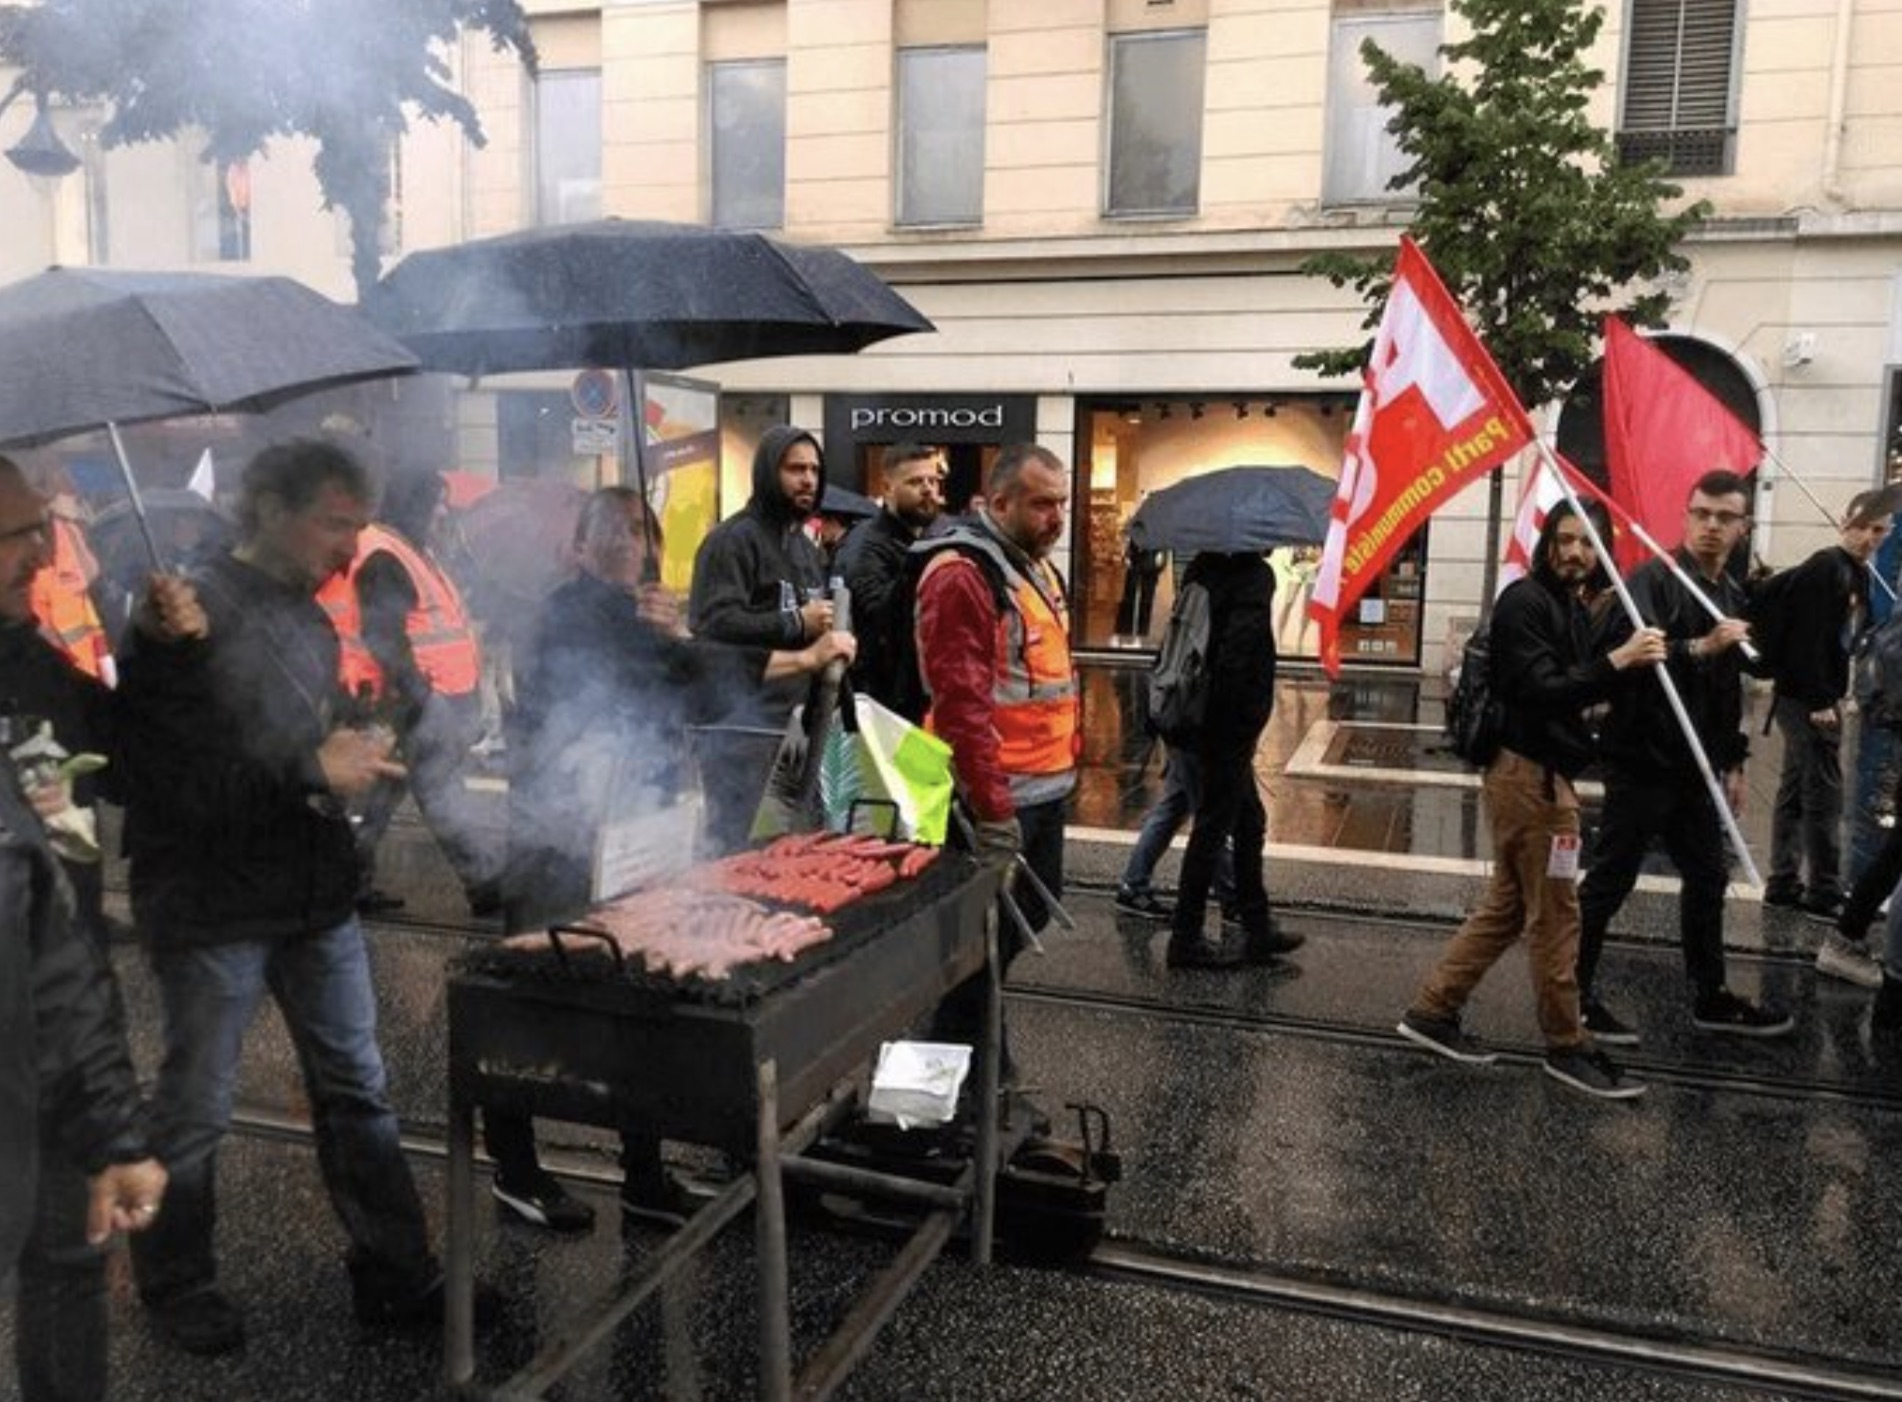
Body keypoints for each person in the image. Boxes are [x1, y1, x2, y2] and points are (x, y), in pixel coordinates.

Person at [117, 439, 477, 1354]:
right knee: (196, 1101)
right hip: (212, 906)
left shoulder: (310, 616)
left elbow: (300, 744)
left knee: (359, 1087)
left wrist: (361, 734)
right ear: (268, 508)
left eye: (359, 527)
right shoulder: (180, 613)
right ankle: (175, 1284)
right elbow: (162, 782)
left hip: (312, 893)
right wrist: (305, 765)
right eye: (334, 524)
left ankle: (397, 1272)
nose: (352, 549)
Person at [502, 487, 854, 1229]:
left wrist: (674, 633)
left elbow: (691, 692)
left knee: (641, 1002)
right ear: (582, 544)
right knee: (525, 1012)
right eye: (620, 531)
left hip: (637, 830)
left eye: (644, 531)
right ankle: (515, 1169)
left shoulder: (639, 611)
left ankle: (642, 1172)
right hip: (563, 838)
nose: (636, 544)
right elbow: (691, 677)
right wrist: (798, 653)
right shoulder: (567, 613)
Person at [1396, 500, 1665, 1101]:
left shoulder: (1568, 605)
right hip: (1532, 782)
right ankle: (1566, 1045)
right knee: (1557, 913)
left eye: (1588, 544)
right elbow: (1539, 689)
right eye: (1566, 540)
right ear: (1547, 543)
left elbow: (1577, 685)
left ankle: (1432, 1010)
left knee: (1510, 907)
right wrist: (1616, 662)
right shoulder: (1524, 602)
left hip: (1542, 774)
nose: (1576, 553)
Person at [1575, 472, 1793, 1040]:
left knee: (1707, 875)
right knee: (1610, 879)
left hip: (1695, 767)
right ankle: (1571, 991)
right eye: (1702, 514)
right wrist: (1697, 646)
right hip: (1644, 758)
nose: (1712, 526)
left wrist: (1735, 762)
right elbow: (1615, 659)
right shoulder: (1654, 580)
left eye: (1725, 518)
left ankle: (1710, 992)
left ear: (1743, 527)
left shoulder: (1728, 592)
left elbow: (1728, 689)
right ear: (1685, 516)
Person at [913, 443, 1077, 1074]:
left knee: (1009, 934)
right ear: (999, 502)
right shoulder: (963, 575)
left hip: (1040, 791)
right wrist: (991, 810)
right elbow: (961, 708)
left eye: (1061, 503)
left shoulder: (1031, 567)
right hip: (991, 802)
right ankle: (947, 1101)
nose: (1056, 518)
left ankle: (975, 1079)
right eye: (1042, 505)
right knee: (976, 952)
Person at [316, 469, 502, 917]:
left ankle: (345, 886)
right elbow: (386, 638)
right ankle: (484, 886)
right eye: (436, 502)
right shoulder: (384, 554)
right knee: (436, 794)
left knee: (383, 800)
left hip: (406, 702)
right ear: (412, 503)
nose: (443, 511)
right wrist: (424, 701)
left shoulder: (410, 550)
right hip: (399, 702)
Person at [688, 425, 833, 849]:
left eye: (814, 470)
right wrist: (794, 624)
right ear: (768, 472)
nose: (808, 479)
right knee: (737, 851)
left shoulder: (806, 548)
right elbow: (712, 622)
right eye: (795, 469)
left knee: (782, 847)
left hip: (793, 730)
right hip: (740, 733)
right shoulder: (732, 541)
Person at [1750, 490, 1893, 919]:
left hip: (1811, 695)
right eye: (1863, 527)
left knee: (1796, 788)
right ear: (1843, 522)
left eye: (1879, 531)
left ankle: (1782, 883)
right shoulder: (1825, 567)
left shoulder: (1857, 573)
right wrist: (1819, 700)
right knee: (1825, 793)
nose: (1870, 537)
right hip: (1806, 699)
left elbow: (1846, 636)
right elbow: (1806, 639)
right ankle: (1825, 891)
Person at [1163, 552, 1305, 970]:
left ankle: (1257, 928)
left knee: (1248, 821)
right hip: (1226, 726)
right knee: (1212, 829)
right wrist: (1237, 726)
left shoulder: (1201, 566)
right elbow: (1236, 655)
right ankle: (1185, 939)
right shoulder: (1254, 577)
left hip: (1196, 713)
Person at [837, 442, 943, 721]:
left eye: (933, 481)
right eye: (915, 482)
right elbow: (877, 619)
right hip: (882, 705)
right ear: (887, 488)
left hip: (917, 698)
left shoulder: (927, 536)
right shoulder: (866, 545)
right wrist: (919, 563)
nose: (928, 489)